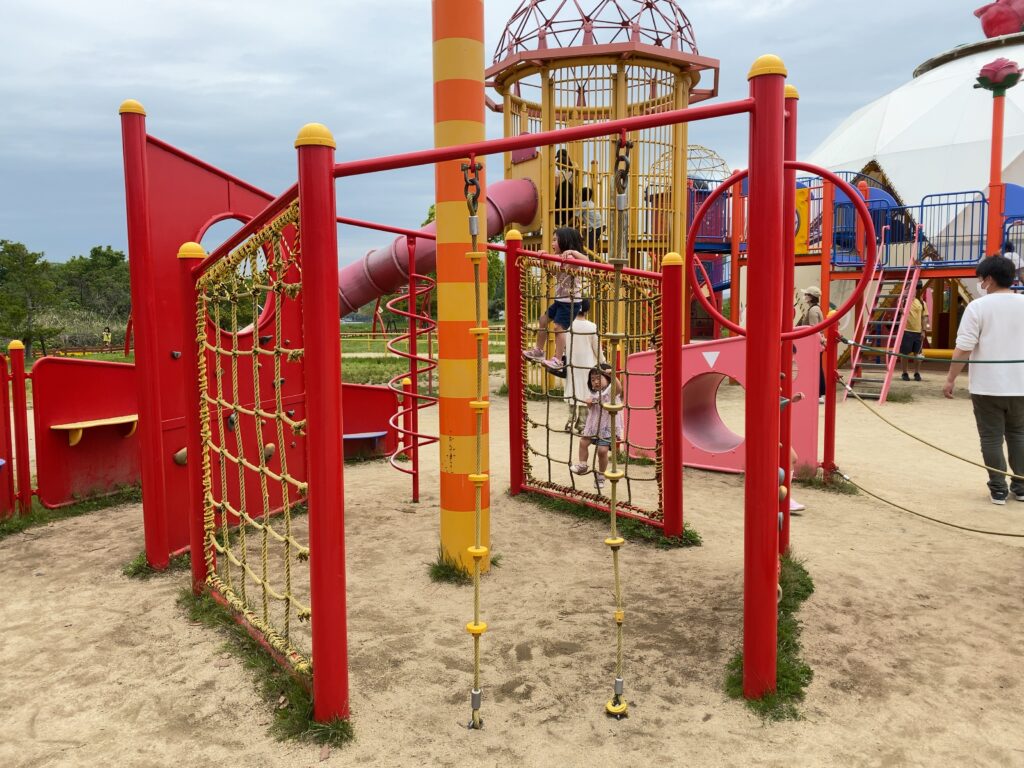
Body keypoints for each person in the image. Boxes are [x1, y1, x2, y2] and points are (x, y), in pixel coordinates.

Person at [943, 256, 1024, 504]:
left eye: (980, 279)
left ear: (988, 279)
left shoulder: (977, 307)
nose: (980, 283)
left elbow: (963, 348)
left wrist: (950, 378)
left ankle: (998, 489)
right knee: (1019, 435)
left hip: (987, 386)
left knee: (991, 438)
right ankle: (1021, 486)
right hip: (1021, 385)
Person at [523, 228, 589, 370]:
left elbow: (586, 261)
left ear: (565, 241)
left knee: (559, 328)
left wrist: (573, 252)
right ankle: (539, 351)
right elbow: (553, 272)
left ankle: (558, 360)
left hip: (571, 302)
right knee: (543, 320)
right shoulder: (559, 258)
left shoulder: (572, 258)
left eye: (555, 240)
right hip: (560, 300)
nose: (552, 243)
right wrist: (545, 258)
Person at [570, 364, 623, 490]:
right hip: (593, 426)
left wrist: (613, 376)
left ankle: (601, 475)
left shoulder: (610, 391)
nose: (595, 382)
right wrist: (589, 403)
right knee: (583, 442)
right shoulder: (593, 393)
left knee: (602, 451)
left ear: (607, 378)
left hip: (607, 428)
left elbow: (619, 388)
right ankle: (583, 464)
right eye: (592, 379)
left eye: (599, 378)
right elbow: (592, 408)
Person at [563, 300, 601, 433]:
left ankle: (570, 421)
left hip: (572, 363)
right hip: (587, 364)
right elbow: (596, 348)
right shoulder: (592, 326)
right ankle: (582, 425)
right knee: (586, 391)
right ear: (587, 310)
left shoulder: (568, 325)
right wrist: (603, 361)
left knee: (573, 389)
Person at [796, 286, 826, 403]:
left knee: (816, 368)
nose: (805, 296)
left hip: (813, 344)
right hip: (815, 343)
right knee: (817, 367)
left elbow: (813, 328)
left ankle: (819, 393)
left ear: (811, 297)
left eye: (806, 295)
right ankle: (819, 393)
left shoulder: (813, 310)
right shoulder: (814, 308)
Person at [900, 284, 930, 382]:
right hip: (906, 331)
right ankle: (905, 373)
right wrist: (905, 292)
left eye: (913, 289)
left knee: (918, 354)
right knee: (904, 353)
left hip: (918, 332)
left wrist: (923, 331)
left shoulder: (921, 303)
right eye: (909, 289)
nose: (911, 290)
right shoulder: (904, 301)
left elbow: (925, 317)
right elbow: (899, 307)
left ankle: (917, 372)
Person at [577, 187, 604, 255]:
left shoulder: (583, 204)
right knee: (590, 244)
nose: (578, 196)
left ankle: (590, 258)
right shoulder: (591, 203)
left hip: (595, 227)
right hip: (601, 225)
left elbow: (574, 217)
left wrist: (566, 225)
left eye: (579, 195)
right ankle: (593, 256)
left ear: (582, 196)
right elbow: (588, 217)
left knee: (589, 248)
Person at [554, 148, 575, 228]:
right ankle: (567, 224)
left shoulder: (558, 172)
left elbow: (556, 184)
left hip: (561, 194)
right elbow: (572, 183)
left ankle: (559, 226)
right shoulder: (571, 171)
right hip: (570, 193)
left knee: (558, 210)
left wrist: (554, 195)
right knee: (568, 210)